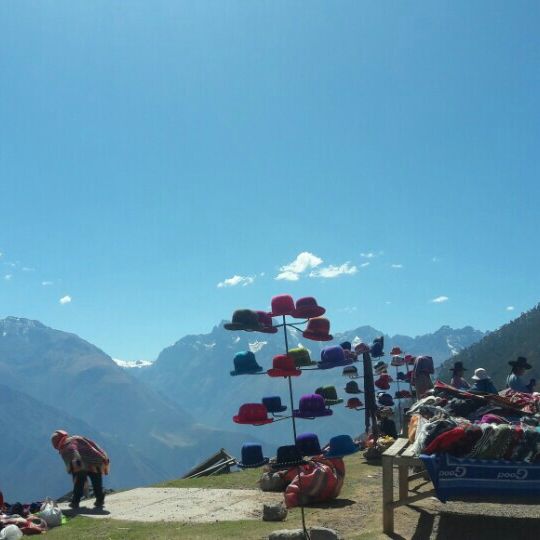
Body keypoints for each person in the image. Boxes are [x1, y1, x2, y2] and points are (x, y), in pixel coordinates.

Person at [51, 430, 110, 509]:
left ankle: (75, 502)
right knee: (97, 482)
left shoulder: (65, 448)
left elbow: (74, 462)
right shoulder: (76, 438)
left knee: (79, 483)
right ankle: (100, 500)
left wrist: (76, 472)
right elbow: (92, 444)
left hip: (80, 465)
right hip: (97, 460)